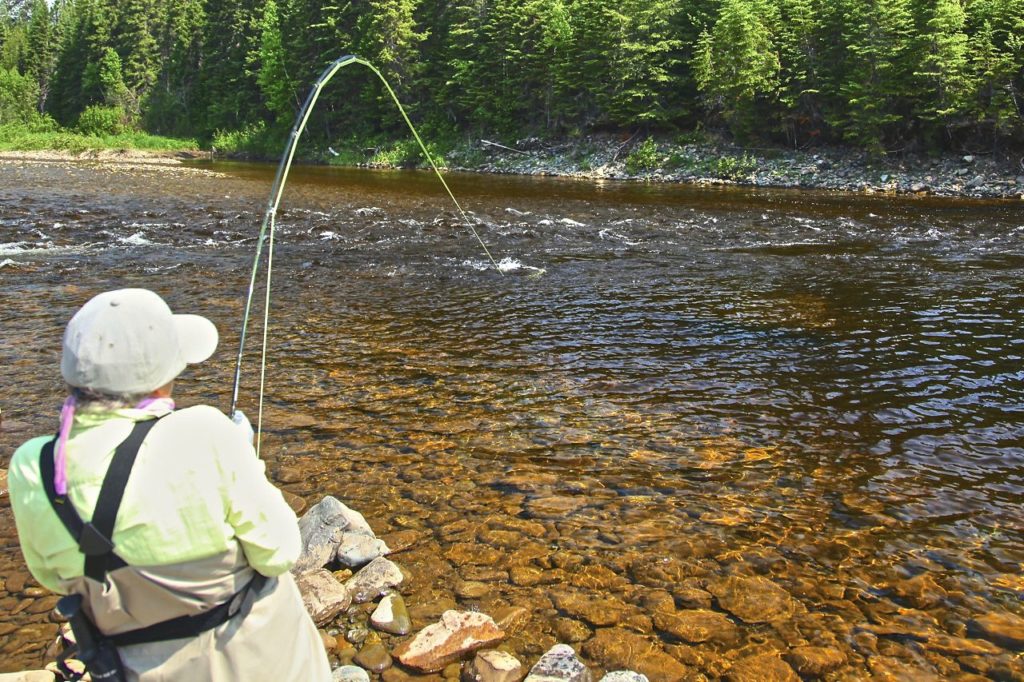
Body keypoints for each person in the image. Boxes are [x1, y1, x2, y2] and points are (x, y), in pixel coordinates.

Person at [8, 288, 331, 681]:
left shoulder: (33, 465)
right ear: (164, 375)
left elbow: (51, 576)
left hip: (137, 668)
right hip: (260, 660)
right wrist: (244, 457)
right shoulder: (206, 432)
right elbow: (280, 553)